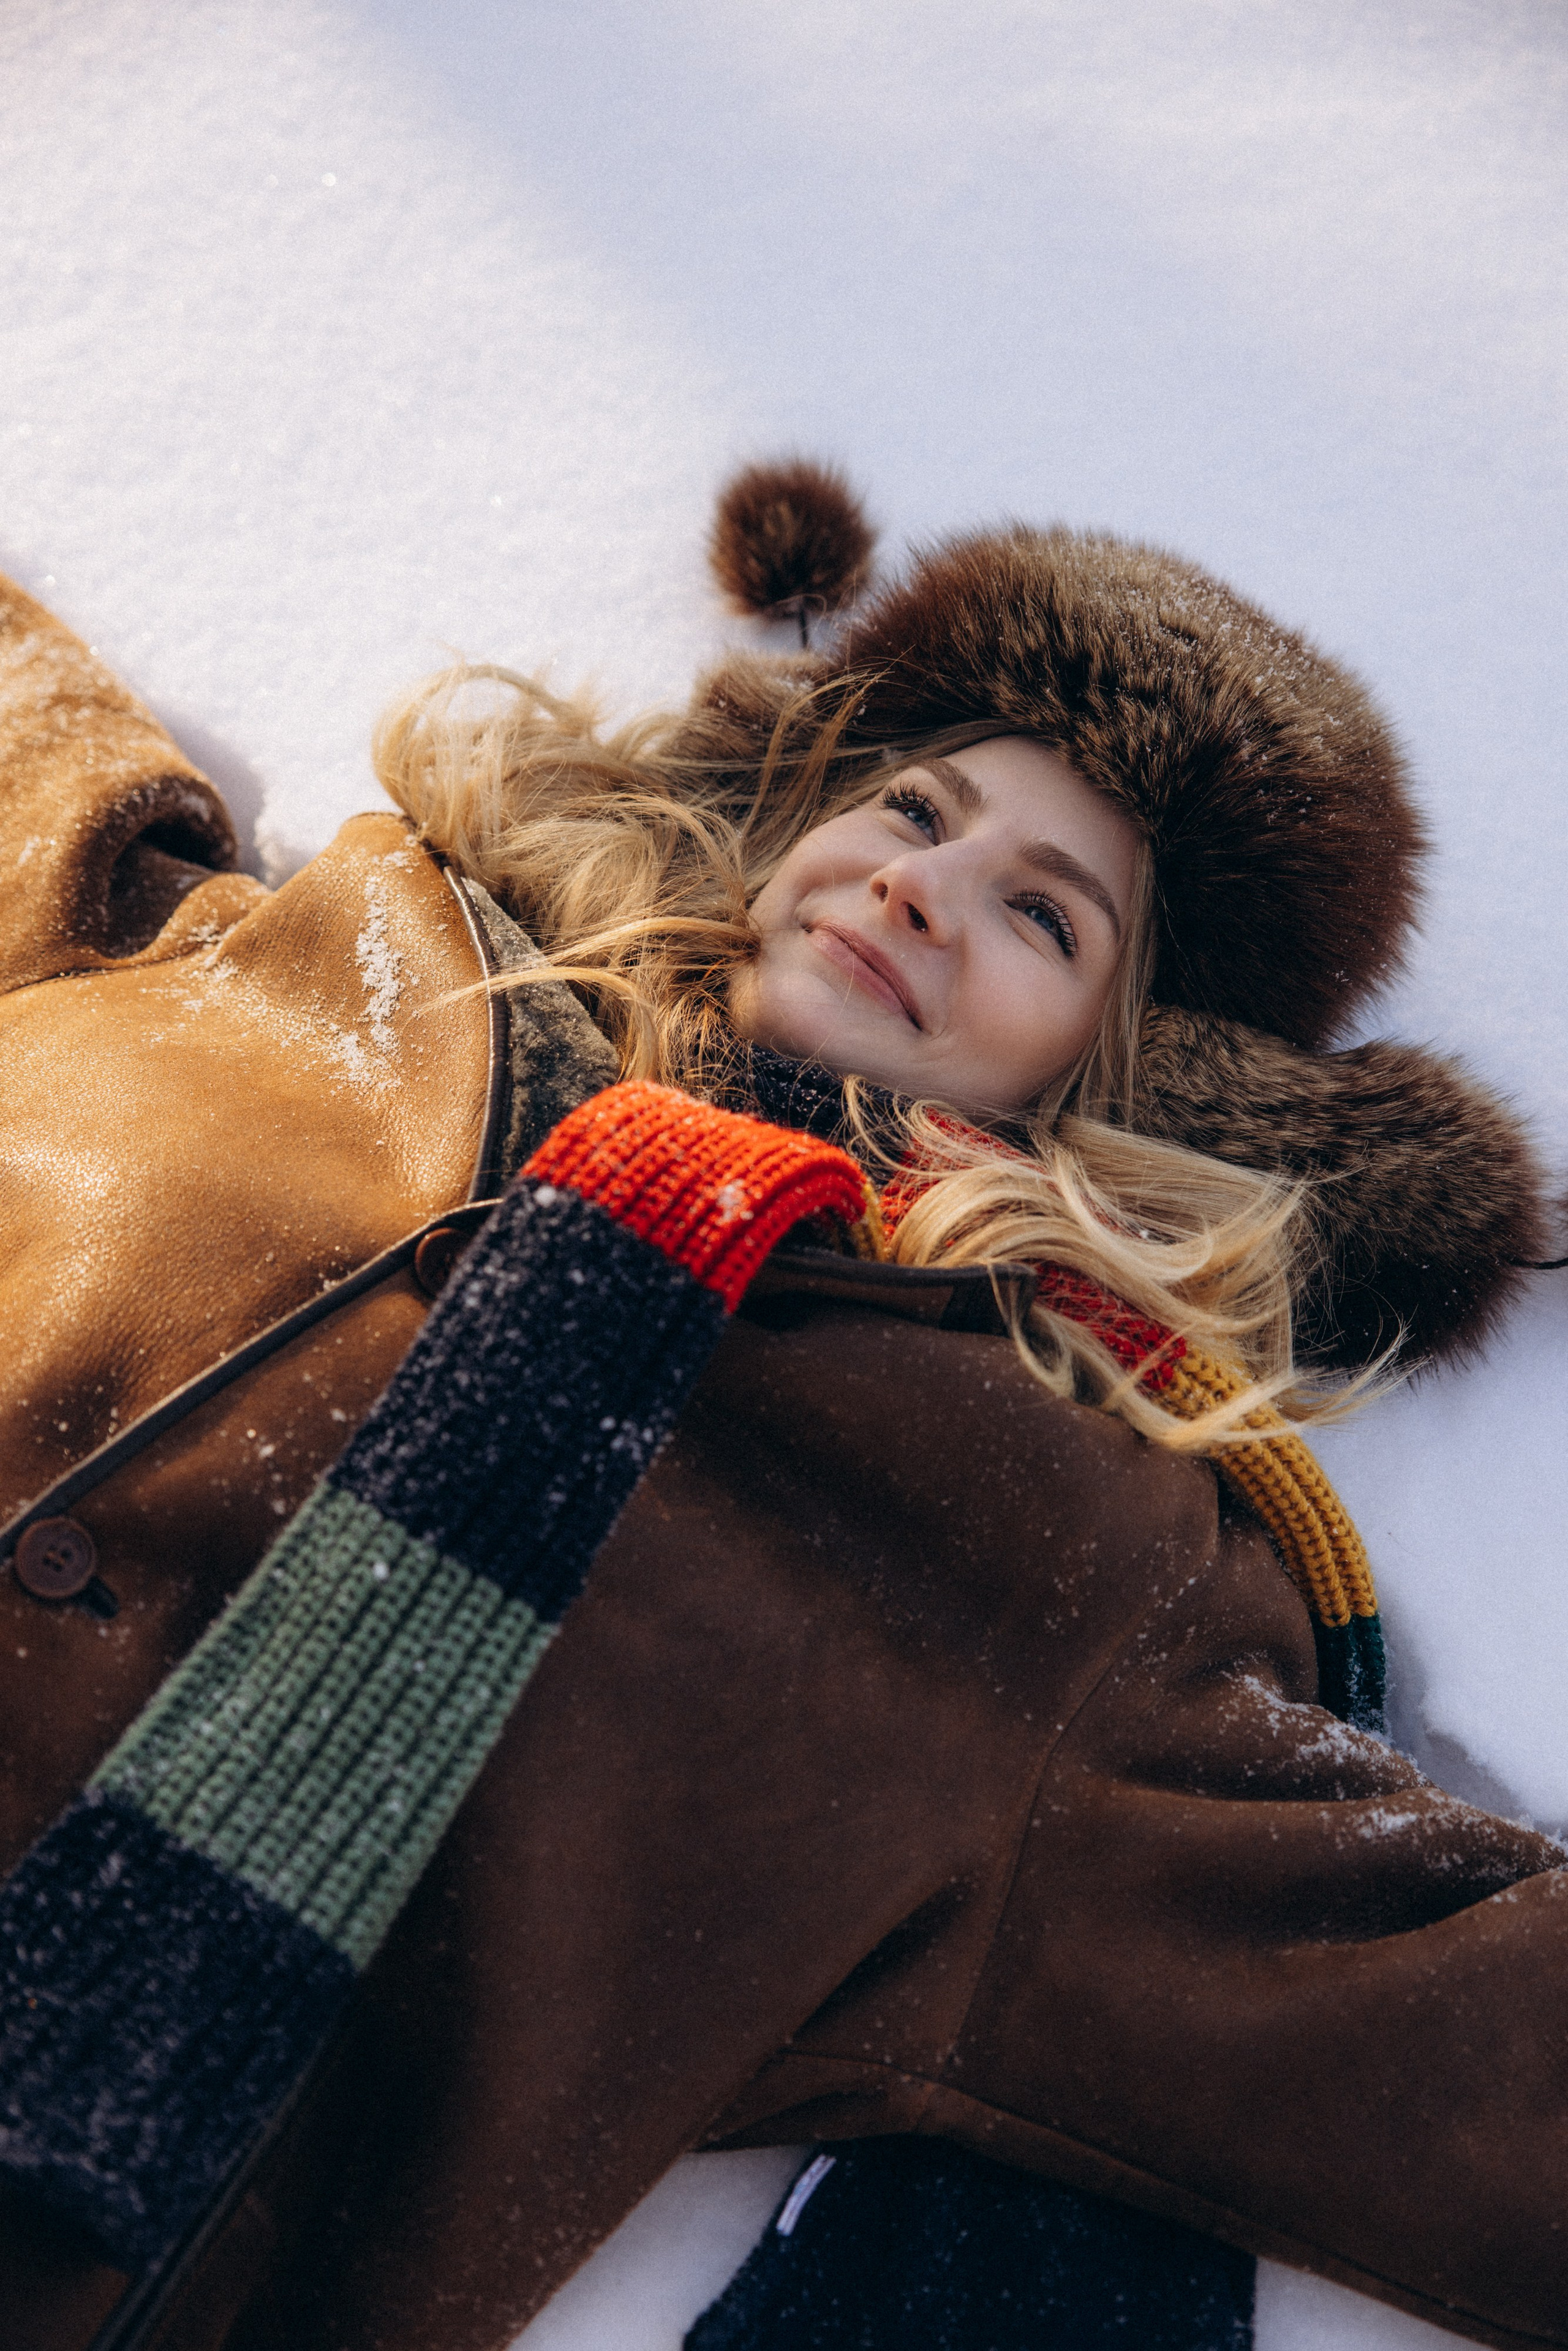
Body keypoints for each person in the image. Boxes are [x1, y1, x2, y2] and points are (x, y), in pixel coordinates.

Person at [0, 464, 1562, 2351]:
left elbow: (1447, 2014)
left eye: (1044, 916)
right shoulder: (379, 950)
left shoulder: (1028, 1528)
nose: (921, 880)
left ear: (1127, 1076)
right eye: (915, 806)